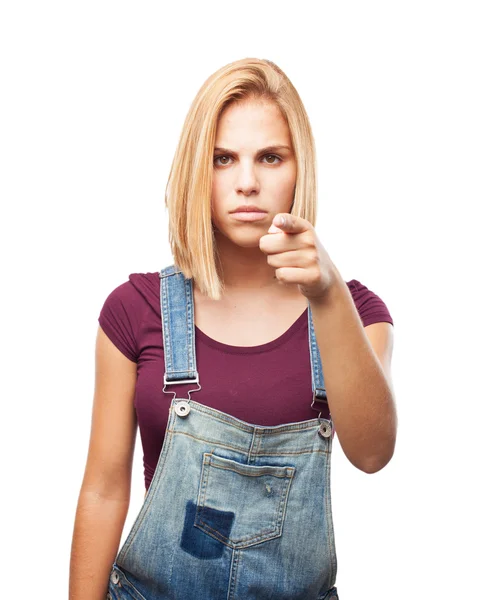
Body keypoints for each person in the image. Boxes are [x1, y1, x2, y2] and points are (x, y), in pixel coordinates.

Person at [69, 57, 397, 600]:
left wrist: (327, 293)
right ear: (197, 168)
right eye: (223, 159)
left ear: (300, 169)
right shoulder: (135, 310)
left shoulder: (355, 312)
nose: (247, 182)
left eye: (270, 157)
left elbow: (373, 452)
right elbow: (104, 490)